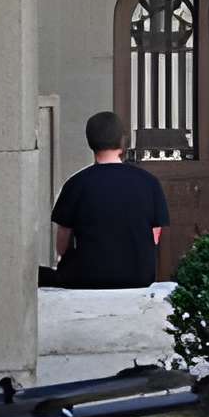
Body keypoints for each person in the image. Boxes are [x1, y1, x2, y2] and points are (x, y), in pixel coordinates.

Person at [42, 110, 169, 288]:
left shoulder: (76, 184)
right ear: (122, 141)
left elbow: (63, 241)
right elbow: (155, 235)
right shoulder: (149, 182)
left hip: (86, 276)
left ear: (90, 142)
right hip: (139, 276)